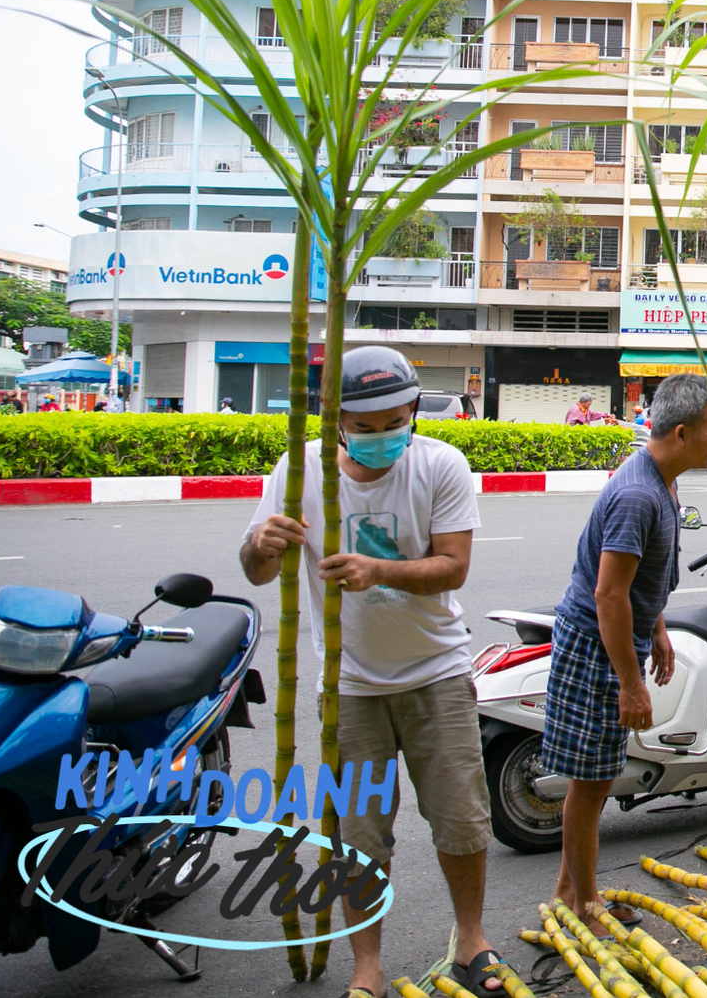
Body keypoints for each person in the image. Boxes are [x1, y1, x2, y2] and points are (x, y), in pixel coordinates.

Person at [238, 347, 509, 996]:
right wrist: (261, 544)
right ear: (336, 419)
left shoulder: (440, 463)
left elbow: (453, 565)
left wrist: (378, 568)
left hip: (436, 668)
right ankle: (368, 965)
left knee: (462, 818)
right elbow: (256, 569)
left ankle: (472, 938)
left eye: (397, 419)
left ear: (414, 409)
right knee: (358, 834)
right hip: (349, 683)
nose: (384, 434)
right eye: (366, 425)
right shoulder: (297, 468)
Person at [542, 373, 707, 931]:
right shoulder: (639, 495)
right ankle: (583, 905)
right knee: (591, 783)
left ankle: (569, 894)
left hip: (621, 636)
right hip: (597, 644)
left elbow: (641, 580)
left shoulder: (664, 482)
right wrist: (630, 682)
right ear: (681, 432)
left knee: (595, 779)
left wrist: (659, 630)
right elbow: (608, 593)